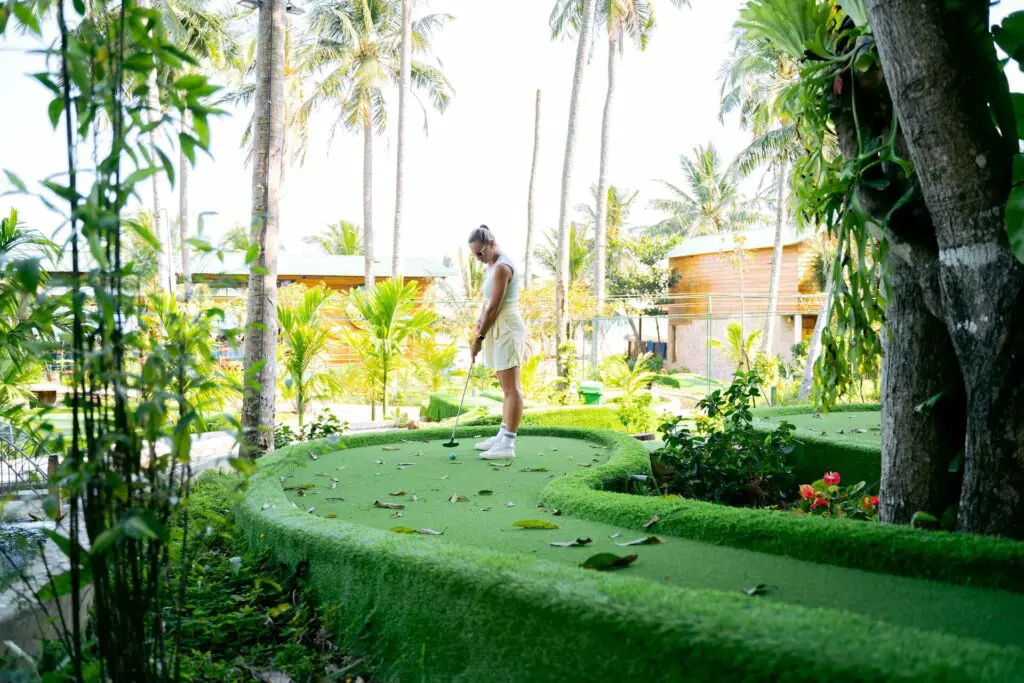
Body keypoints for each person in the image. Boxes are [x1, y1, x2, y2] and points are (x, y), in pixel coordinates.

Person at [468, 225, 525, 459]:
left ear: (492, 243)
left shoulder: (502, 267)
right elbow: (486, 303)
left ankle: (508, 445)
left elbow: (495, 306)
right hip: (496, 326)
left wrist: (479, 338)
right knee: (505, 388)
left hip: (507, 328)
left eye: (480, 253)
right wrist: (479, 324)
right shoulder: (491, 265)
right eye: (474, 255)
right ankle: (502, 435)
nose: (478, 258)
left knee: (512, 389)